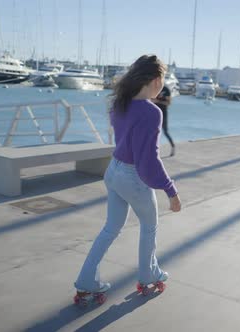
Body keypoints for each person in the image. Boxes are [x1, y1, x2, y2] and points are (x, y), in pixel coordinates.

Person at [73, 55, 182, 303]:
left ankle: (86, 281)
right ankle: (149, 276)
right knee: (149, 226)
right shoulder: (151, 112)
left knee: (110, 228)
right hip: (132, 176)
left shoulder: (120, 104)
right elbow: (149, 160)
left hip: (113, 171)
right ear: (155, 80)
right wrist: (171, 191)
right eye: (162, 80)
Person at [153, 84, 175, 156]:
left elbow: (168, 103)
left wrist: (158, 101)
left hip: (163, 114)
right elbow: (150, 100)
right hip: (154, 113)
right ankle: (153, 150)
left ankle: (173, 147)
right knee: (153, 132)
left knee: (165, 132)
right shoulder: (153, 88)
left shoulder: (166, 90)